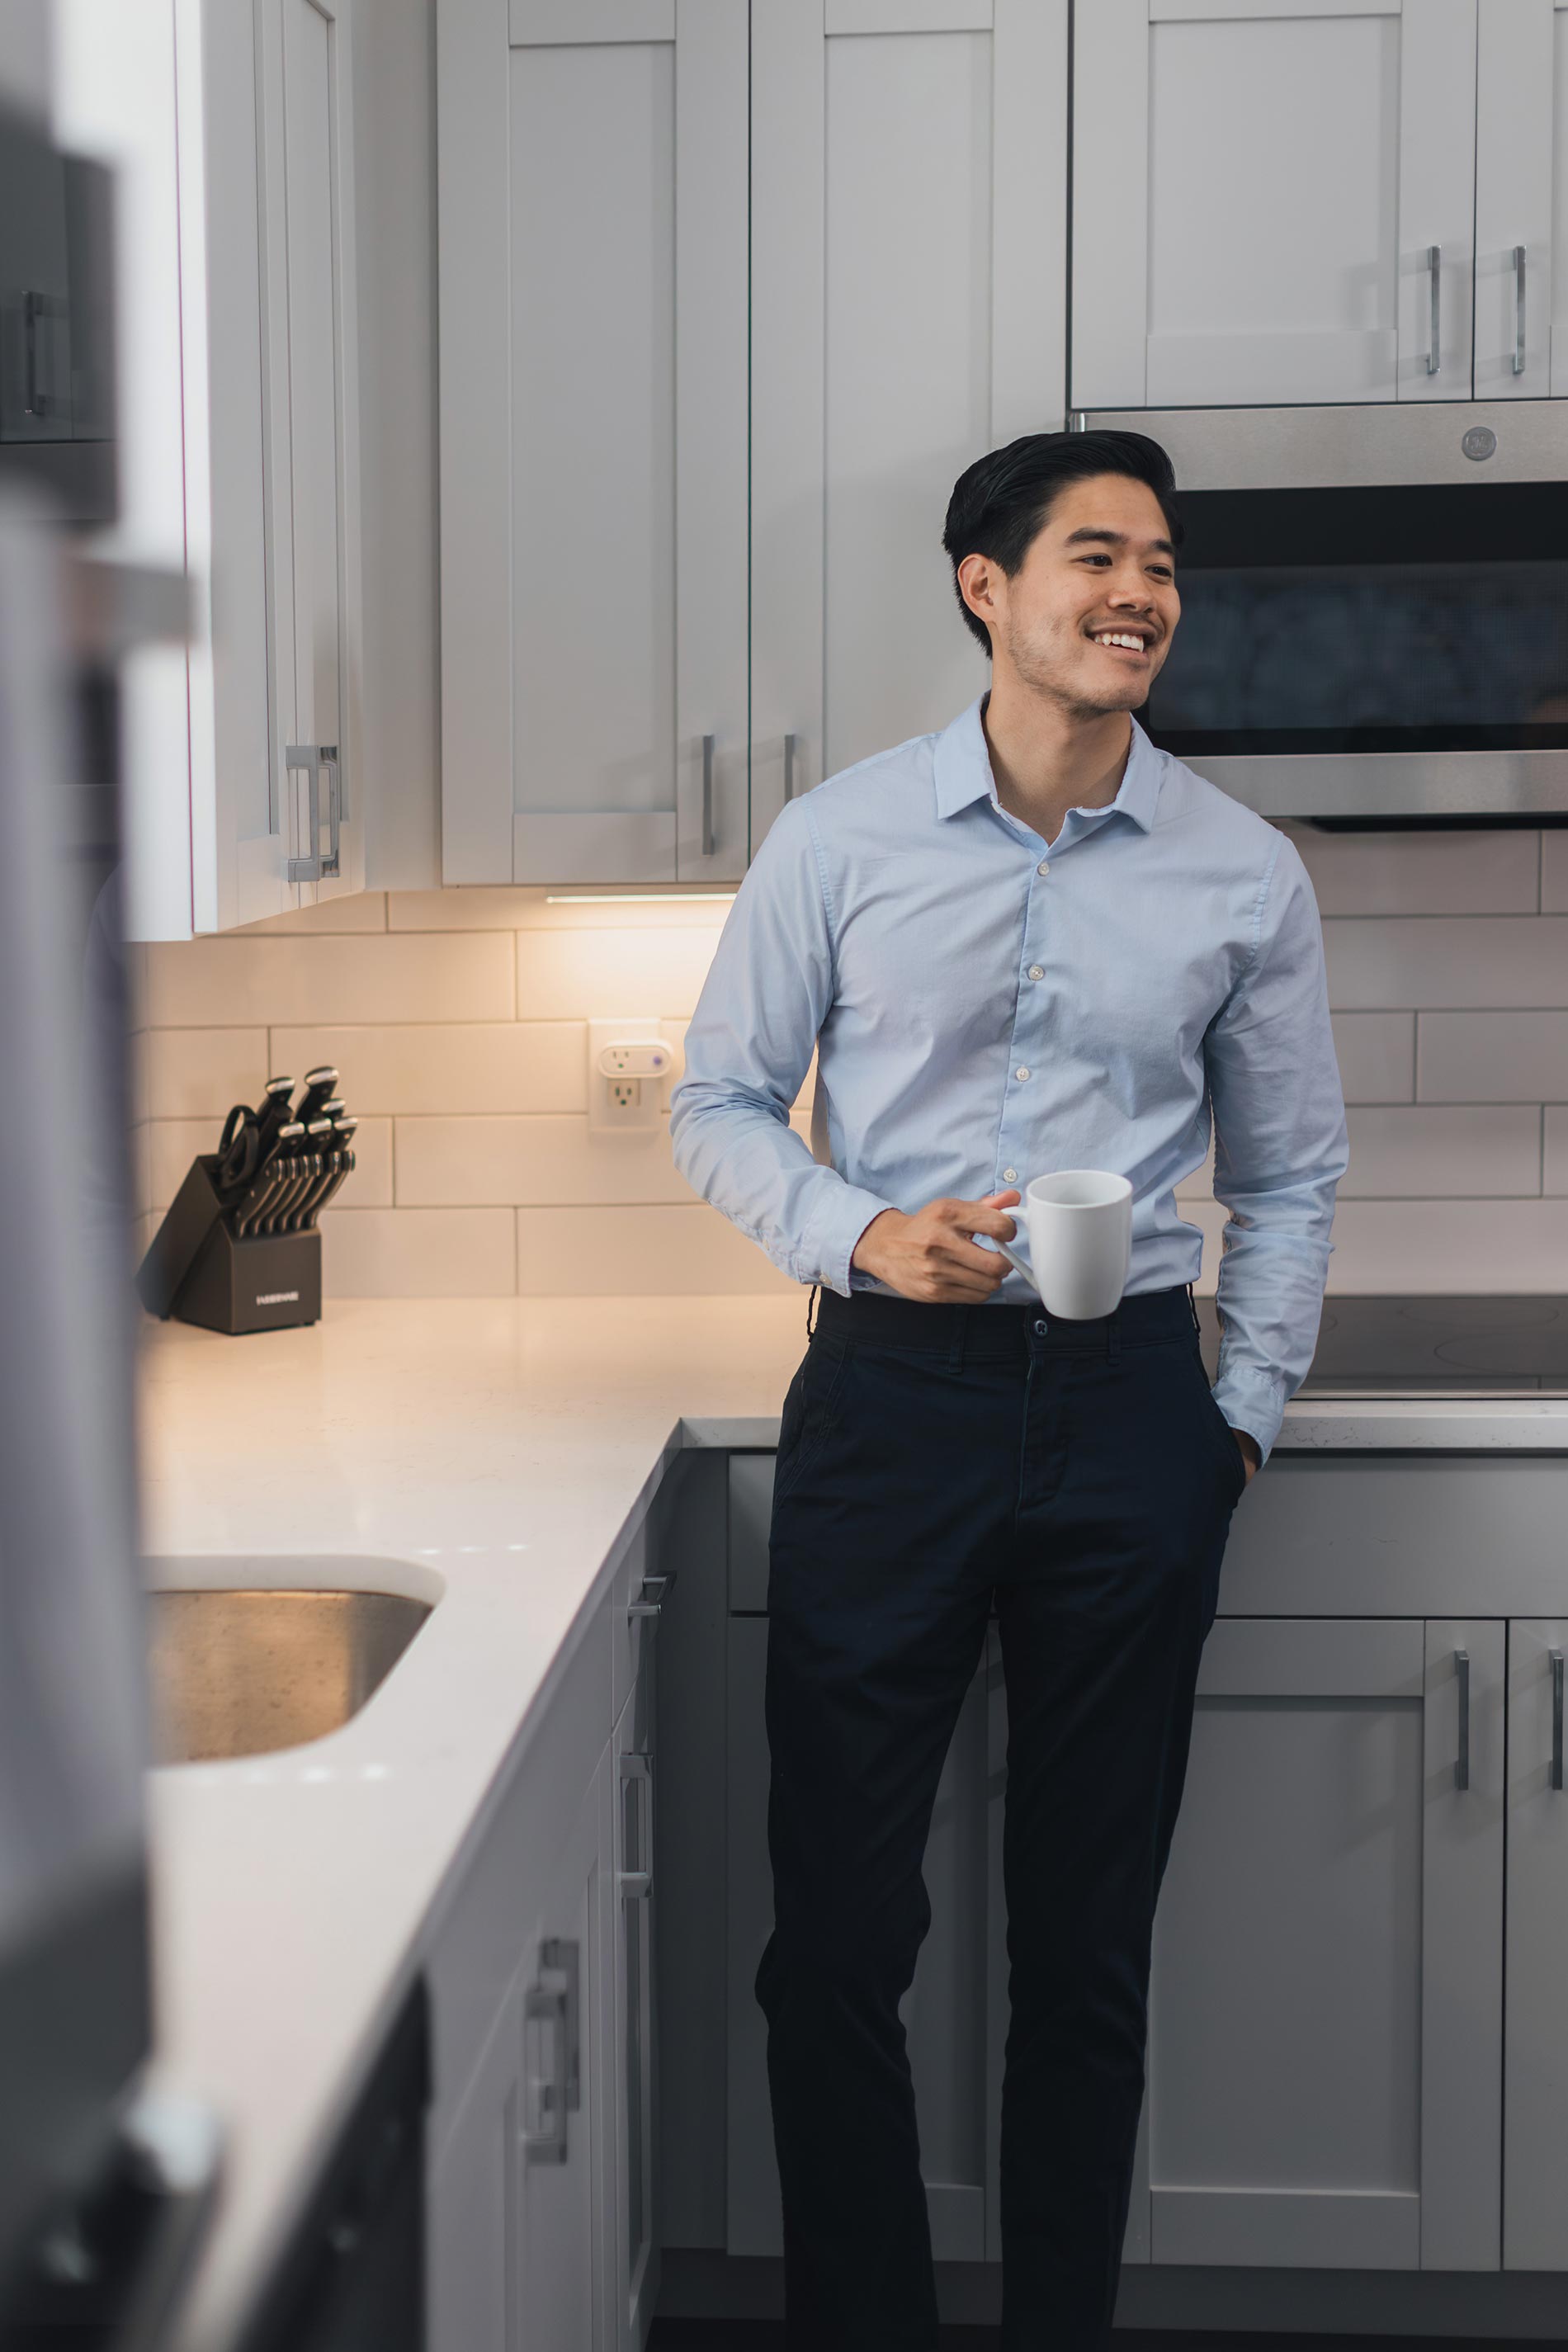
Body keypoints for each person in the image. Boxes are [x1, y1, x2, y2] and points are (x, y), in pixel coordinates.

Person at [668, 430, 1348, 2350]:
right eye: (1093, 556)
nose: (1139, 592)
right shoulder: (838, 839)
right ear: (986, 586)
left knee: (1084, 1955)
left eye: (1160, 563)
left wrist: (1234, 1419)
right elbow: (715, 1102)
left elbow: (1289, 1176)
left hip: (1135, 1414)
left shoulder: (1237, 870)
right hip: (892, 1407)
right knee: (832, 1951)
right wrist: (856, 1235)